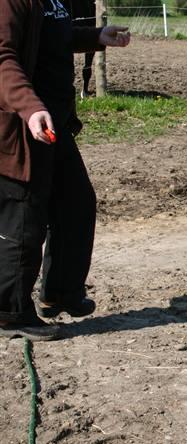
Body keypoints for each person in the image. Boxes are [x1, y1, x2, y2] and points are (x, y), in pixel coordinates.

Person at [0, 0, 131, 340]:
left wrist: (95, 36)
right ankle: (10, 313)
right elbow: (3, 59)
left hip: (53, 123)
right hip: (22, 127)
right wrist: (29, 108)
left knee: (76, 203)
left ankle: (60, 292)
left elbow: (52, 35)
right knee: (24, 218)